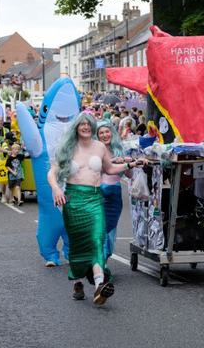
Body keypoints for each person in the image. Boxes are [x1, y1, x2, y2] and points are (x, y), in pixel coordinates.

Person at [47, 113, 143, 304]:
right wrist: (57, 188)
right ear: (76, 127)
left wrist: (131, 163)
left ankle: (100, 286)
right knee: (78, 244)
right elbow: (52, 172)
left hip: (94, 199)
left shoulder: (99, 147)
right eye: (82, 124)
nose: (85, 127)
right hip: (73, 201)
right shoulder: (68, 148)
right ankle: (78, 281)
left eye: (88, 124)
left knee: (96, 240)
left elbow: (109, 169)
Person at [96, 120, 133, 280]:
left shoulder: (119, 150)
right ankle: (101, 266)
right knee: (99, 230)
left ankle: (104, 260)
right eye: (101, 133)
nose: (105, 135)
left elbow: (130, 176)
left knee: (110, 232)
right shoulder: (94, 152)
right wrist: (111, 162)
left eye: (107, 132)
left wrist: (126, 162)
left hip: (115, 195)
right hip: (98, 194)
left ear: (112, 132)